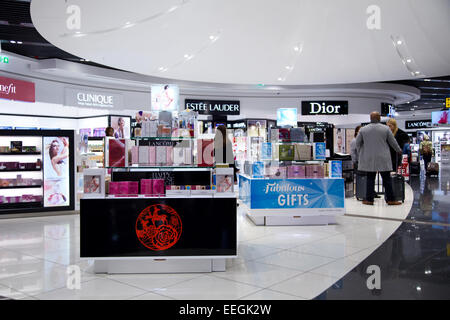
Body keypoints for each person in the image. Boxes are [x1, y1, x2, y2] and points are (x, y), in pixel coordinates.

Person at [356, 112, 403, 205]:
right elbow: (393, 142)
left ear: (370, 118)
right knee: (386, 179)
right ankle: (390, 199)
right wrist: (398, 150)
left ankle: (369, 199)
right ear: (379, 118)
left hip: (369, 158)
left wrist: (361, 153)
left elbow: (358, 143)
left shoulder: (363, 130)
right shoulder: (385, 129)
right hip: (383, 157)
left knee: (370, 178)